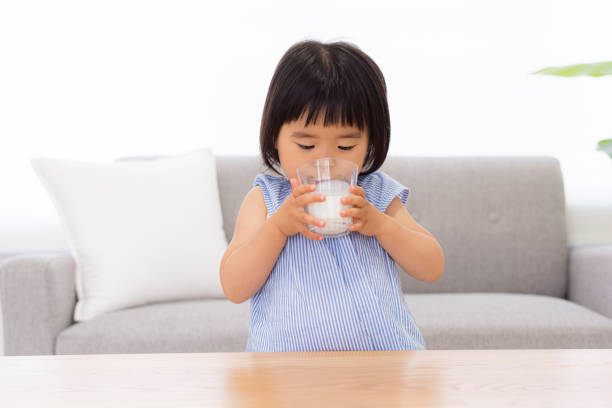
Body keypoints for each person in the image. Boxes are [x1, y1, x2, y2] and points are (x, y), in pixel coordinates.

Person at [219, 40, 445, 352]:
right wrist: (277, 228)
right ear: (275, 137)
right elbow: (234, 285)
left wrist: (381, 225)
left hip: (383, 368)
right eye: (307, 146)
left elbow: (432, 266)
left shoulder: (376, 195)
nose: (325, 161)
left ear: (370, 141)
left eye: (345, 147)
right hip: (285, 377)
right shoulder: (265, 200)